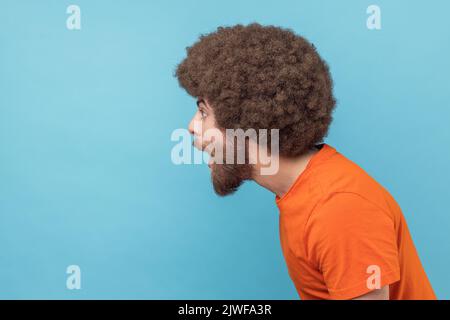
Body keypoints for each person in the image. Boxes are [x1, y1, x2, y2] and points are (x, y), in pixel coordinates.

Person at [175, 23, 436, 300]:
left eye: (204, 112)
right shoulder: (301, 194)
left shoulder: (339, 208)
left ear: (250, 120)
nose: (192, 127)